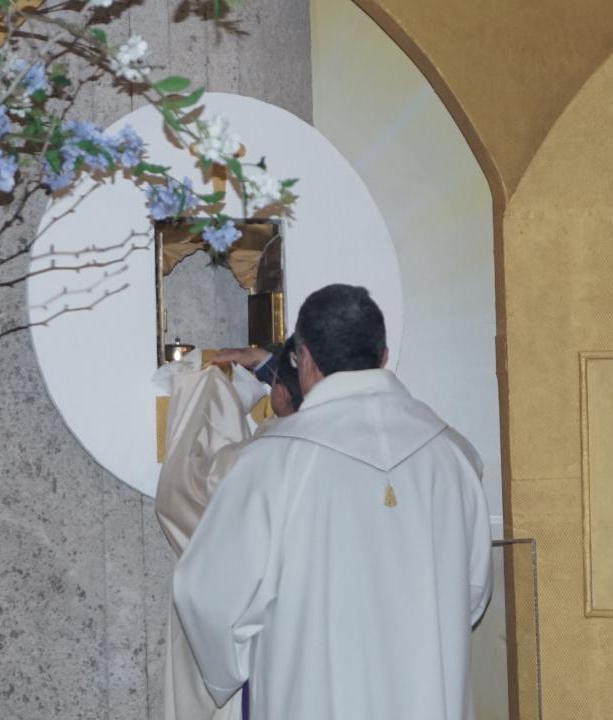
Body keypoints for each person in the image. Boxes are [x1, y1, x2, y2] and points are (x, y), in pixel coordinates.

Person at [173, 284, 493, 720]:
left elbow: (209, 596)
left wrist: (236, 665)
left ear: (304, 358)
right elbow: (472, 593)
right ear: (383, 356)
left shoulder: (271, 462)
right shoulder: (453, 455)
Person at [156, 339, 302, 720]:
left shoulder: (257, 460)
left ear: (281, 393)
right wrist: (271, 366)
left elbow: (182, 494)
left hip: (269, 654)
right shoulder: (356, 450)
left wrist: (207, 390)